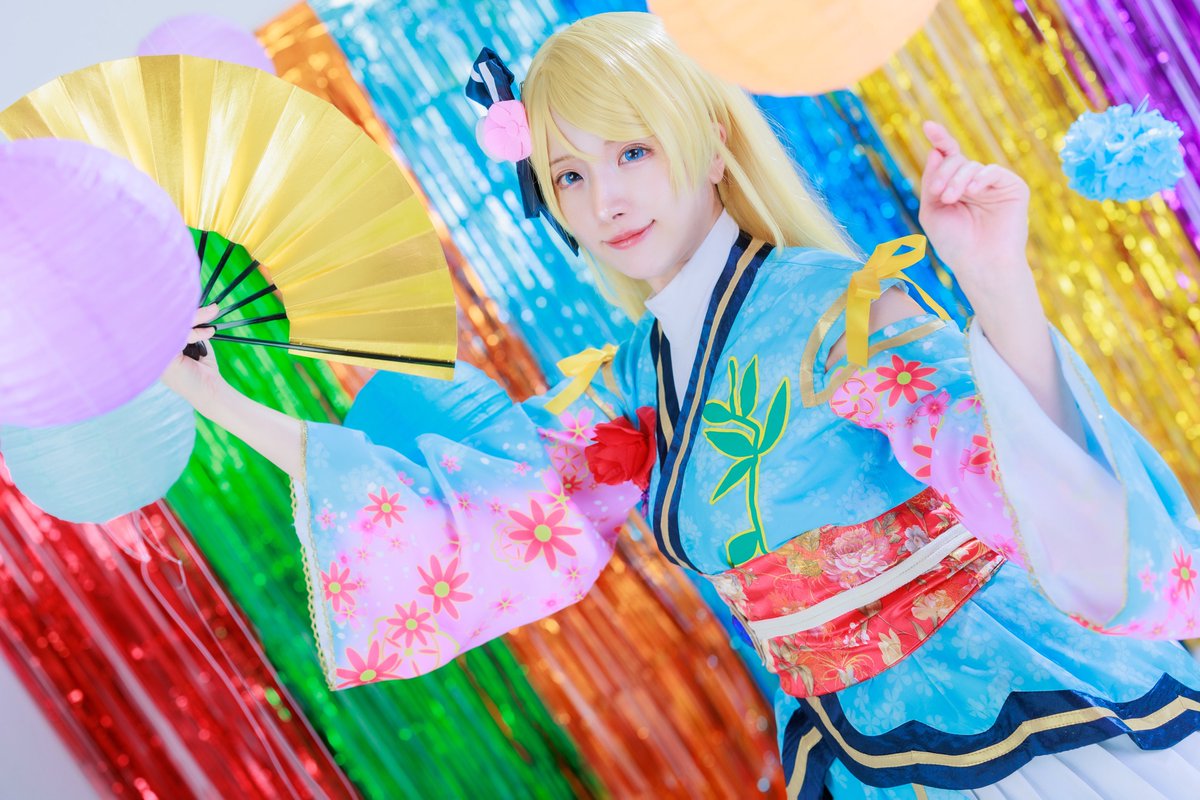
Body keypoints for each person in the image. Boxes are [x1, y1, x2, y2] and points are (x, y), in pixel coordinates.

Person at [163, 11, 1200, 799]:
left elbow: (1014, 464)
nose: (605, 199)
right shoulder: (628, 380)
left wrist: (997, 281)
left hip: (1019, 714)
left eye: (631, 152)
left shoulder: (829, 307)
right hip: (856, 752)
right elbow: (479, 511)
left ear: (707, 142)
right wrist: (217, 395)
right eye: (569, 175)